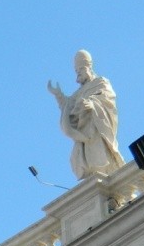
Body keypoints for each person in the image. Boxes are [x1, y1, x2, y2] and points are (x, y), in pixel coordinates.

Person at [48, 50, 125, 180]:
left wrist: (92, 104)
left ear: (88, 67)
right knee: (84, 164)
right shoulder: (79, 92)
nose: (78, 74)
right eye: (76, 71)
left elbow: (108, 99)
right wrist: (58, 95)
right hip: (83, 135)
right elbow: (68, 107)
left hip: (96, 130)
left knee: (99, 161)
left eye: (80, 70)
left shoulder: (101, 82)